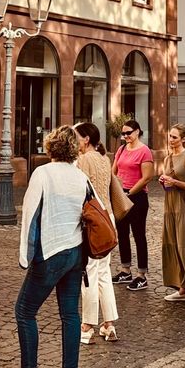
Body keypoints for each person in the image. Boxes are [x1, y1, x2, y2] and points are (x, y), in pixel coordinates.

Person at [1, 126, 91, 368]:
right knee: (70, 314)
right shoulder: (80, 176)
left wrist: (24, 256)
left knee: (25, 311)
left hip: (50, 251)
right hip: (76, 252)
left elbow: (29, 215)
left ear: (51, 147)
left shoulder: (42, 173)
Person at [74, 122, 118, 344]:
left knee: (89, 274)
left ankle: (87, 325)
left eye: (77, 138)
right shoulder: (104, 157)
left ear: (86, 140)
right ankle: (109, 323)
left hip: (93, 221)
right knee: (103, 273)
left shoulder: (85, 160)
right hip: (108, 218)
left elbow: (79, 192)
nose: (75, 142)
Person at [157, 124, 185, 309]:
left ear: (183, 139)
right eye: (170, 136)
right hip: (169, 207)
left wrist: (174, 181)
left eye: (174, 137)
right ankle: (182, 288)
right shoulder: (167, 159)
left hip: (184, 207)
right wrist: (163, 182)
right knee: (172, 246)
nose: (171, 139)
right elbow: (168, 185)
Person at [111, 119, 154, 291]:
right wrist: (116, 189)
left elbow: (147, 177)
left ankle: (142, 275)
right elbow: (113, 170)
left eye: (128, 133)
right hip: (121, 194)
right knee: (122, 233)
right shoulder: (121, 149)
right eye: (123, 134)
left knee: (138, 235)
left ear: (137, 132)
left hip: (137, 197)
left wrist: (130, 192)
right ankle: (125, 269)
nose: (126, 136)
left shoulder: (145, 151)